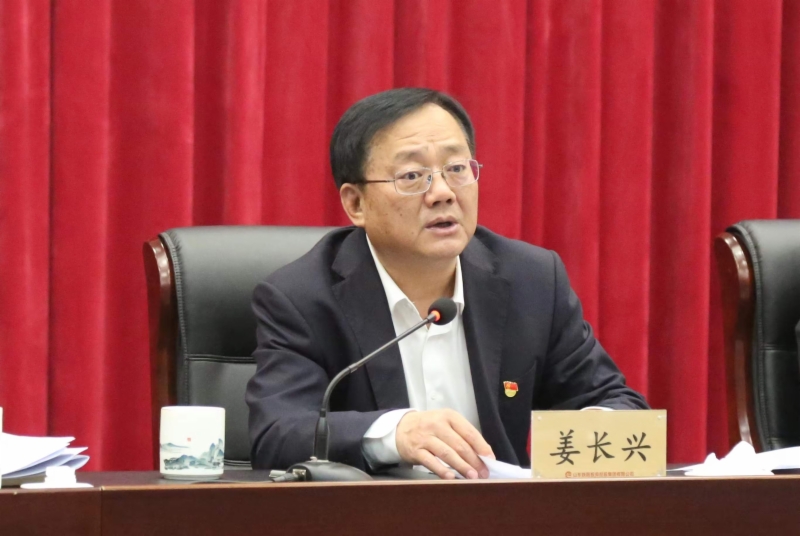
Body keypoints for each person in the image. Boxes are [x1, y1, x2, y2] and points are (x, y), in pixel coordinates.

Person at [246, 88, 648, 480]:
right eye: (412, 176)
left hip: (503, 513)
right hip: (375, 515)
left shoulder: (532, 280)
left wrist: (592, 434)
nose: (442, 193)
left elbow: (616, 404)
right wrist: (395, 434)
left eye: (456, 169)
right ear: (356, 203)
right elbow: (278, 432)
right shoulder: (303, 297)